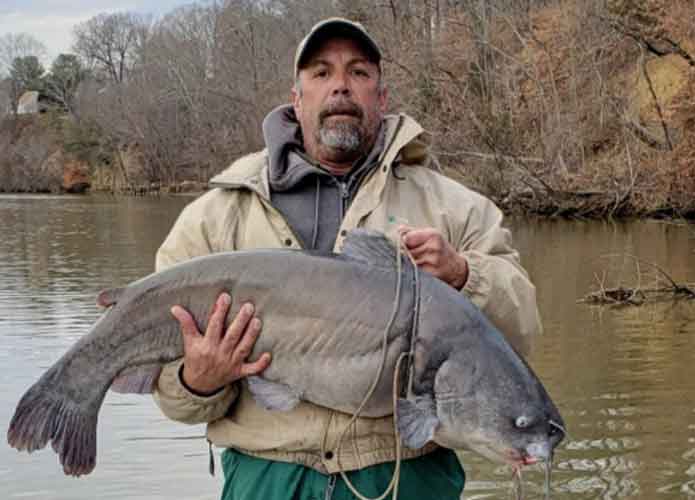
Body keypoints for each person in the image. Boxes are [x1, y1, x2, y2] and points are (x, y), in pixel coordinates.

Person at [153, 17, 542, 500]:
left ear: (381, 97)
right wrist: (197, 381)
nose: (340, 85)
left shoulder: (454, 208)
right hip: (266, 480)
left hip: (406, 480)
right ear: (296, 100)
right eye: (321, 73)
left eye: (358, 72)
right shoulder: (216, 218)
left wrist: (464, 274)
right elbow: (171, 398)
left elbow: (525, 329)